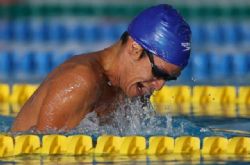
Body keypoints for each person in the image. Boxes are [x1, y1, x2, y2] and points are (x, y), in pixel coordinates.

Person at [11, 4, 191, 132]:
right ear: (135, 49)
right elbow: (44, 154)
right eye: (158, 73)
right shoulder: (81, 82)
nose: (160, 86)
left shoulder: (132, 89)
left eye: (168, 78)